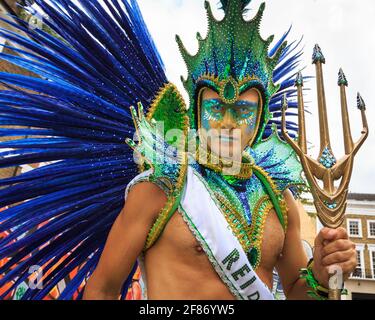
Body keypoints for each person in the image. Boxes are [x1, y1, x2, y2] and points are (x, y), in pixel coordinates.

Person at [0, 0, 357, 300]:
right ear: (195, 109)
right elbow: (103, 290)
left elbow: (296, 291)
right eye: (216, 108)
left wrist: (325, 276)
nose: (228, 124)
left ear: (261, 118)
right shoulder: (161, 187)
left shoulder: (281, 203)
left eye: (243, 111)